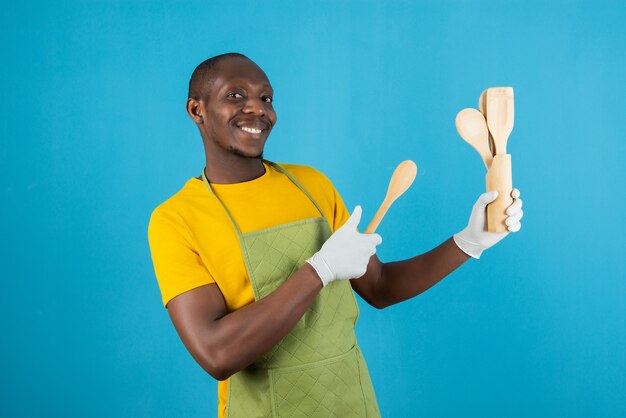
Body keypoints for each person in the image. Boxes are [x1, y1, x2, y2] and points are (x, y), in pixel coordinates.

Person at [148, 52, 524, 418]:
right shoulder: (177, 219)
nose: (257, 109)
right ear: (196, 110)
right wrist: (319, 270)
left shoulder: (311, 186)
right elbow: (217, 354)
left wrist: (466, 243)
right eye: (236, 96)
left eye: (266, 98)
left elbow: (378, 287)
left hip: (350, 402)